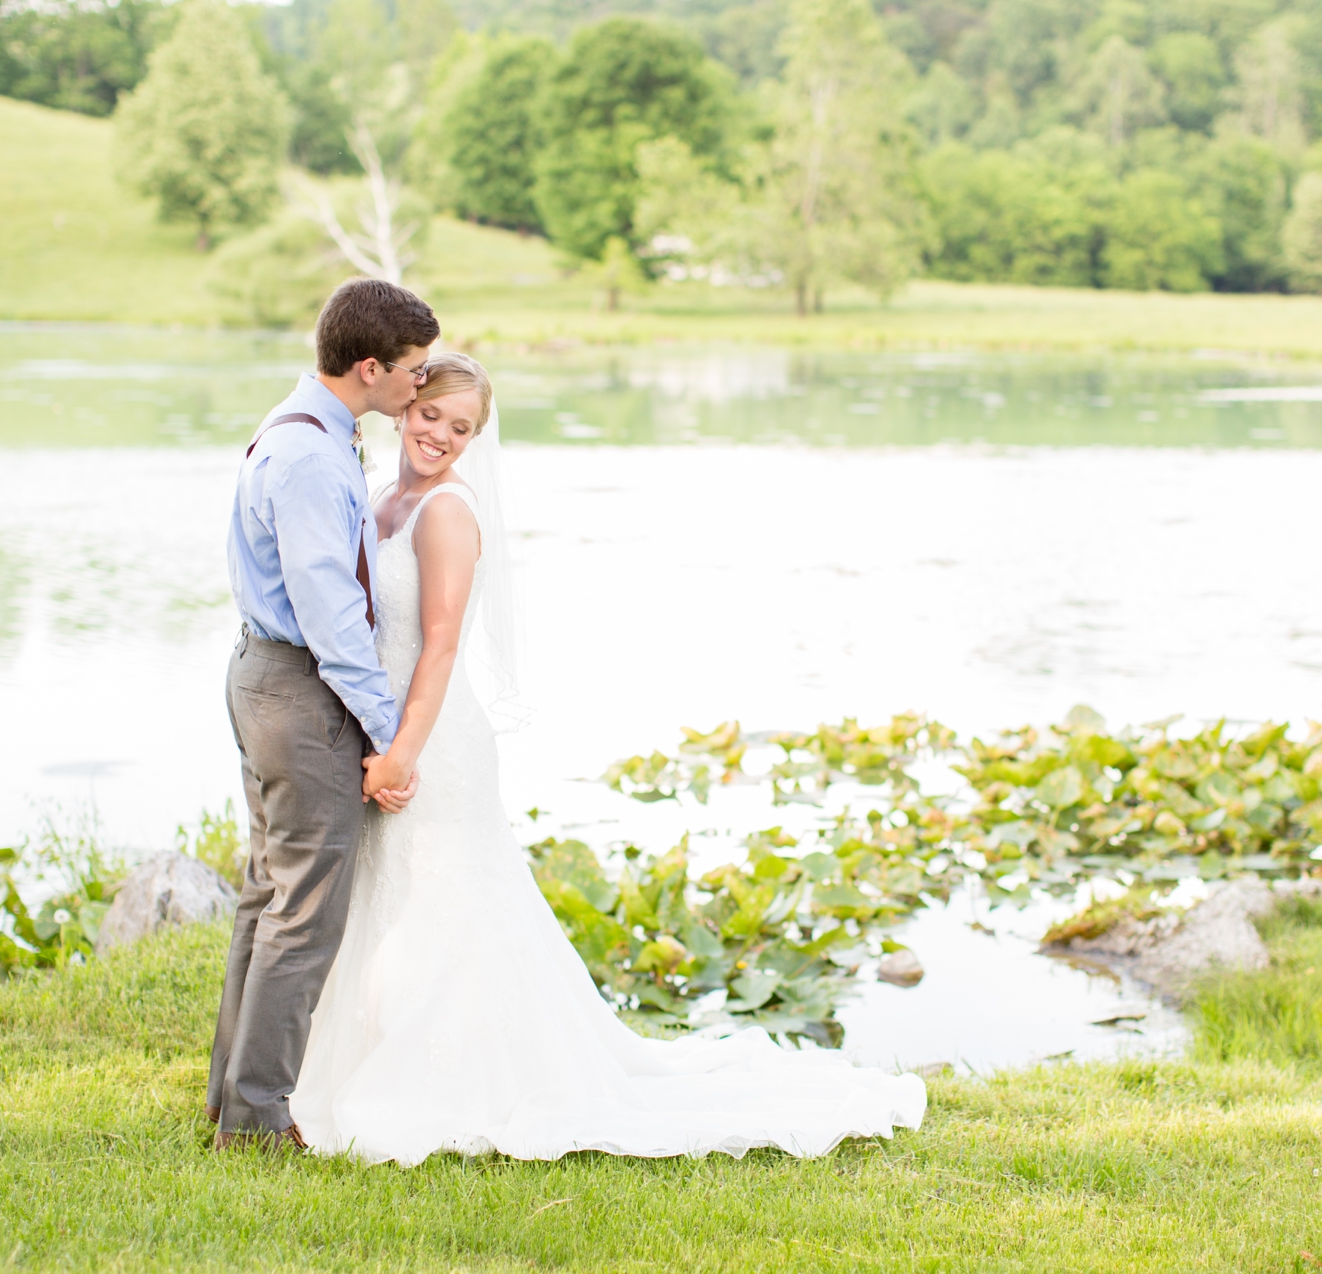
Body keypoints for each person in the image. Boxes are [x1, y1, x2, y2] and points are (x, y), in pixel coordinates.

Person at [290, 352, 925, 1165]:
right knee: (392, 901)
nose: (440, 436)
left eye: (461, 427)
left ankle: (460, 1081)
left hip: (433, 740)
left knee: (447, 903)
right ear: (402, 406)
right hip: (387, 731)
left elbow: (442, 645)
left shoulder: (447, 512)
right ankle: (358, 1061)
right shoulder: (385, 498)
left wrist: (402, 752)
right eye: (431, 415)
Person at [209, 278, 440, 1150]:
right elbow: (331, 614)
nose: (419, 388)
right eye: (412, 372)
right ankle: (261, 1124)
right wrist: (390, 734)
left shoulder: (307, 428)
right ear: (370, 366)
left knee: (267, 896)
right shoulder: (309, 457)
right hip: (302, 690)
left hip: (267, 676)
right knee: (303, 914)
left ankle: (235, 1104)